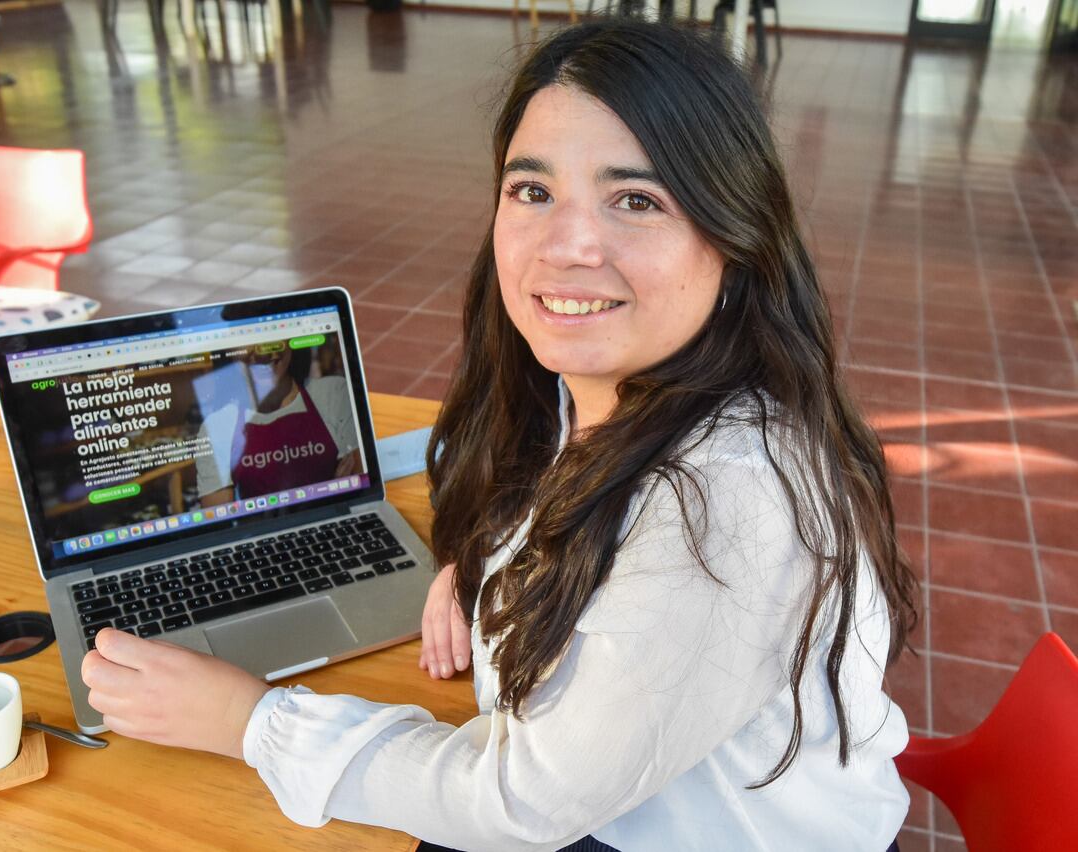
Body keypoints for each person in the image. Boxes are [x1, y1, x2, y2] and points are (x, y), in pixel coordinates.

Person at [81, 19, 919, 851]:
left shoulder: (730, 503)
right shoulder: (596, 390)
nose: (567, 245)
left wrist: (247, 719)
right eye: (533, 190)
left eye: (637, 199)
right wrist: (490, 570)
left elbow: (521, 806)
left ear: (735, 240)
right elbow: (568, 514)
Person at [194, 340, 363, 506]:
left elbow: (360, 491)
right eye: (245, 337)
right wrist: (330, 490)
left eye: (271, 334)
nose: (263, 352)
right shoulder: (217, 427)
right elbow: (221, 522)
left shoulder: (334, 394)